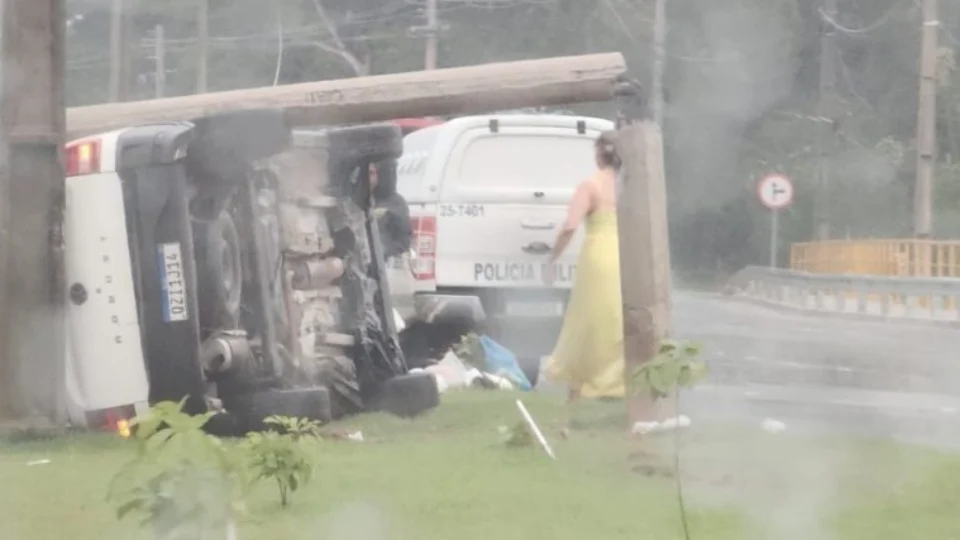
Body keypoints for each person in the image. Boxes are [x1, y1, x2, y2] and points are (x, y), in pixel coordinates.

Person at [541, 133, 625, 404]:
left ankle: (581, 387)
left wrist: (551, 259)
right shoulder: (630, 187)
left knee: (589, 319)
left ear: (599, 154)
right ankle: (619, 381)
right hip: (626, 254)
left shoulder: (590, 185)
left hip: (599, 255)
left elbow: (570, 226)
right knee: (618, 318)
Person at [368, 159, 412, 259]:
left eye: (371, 173)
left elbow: (403, 242)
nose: (367, 178)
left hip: (384, 264)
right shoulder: (354, 201)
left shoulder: (396, 203)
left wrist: (383, 251)